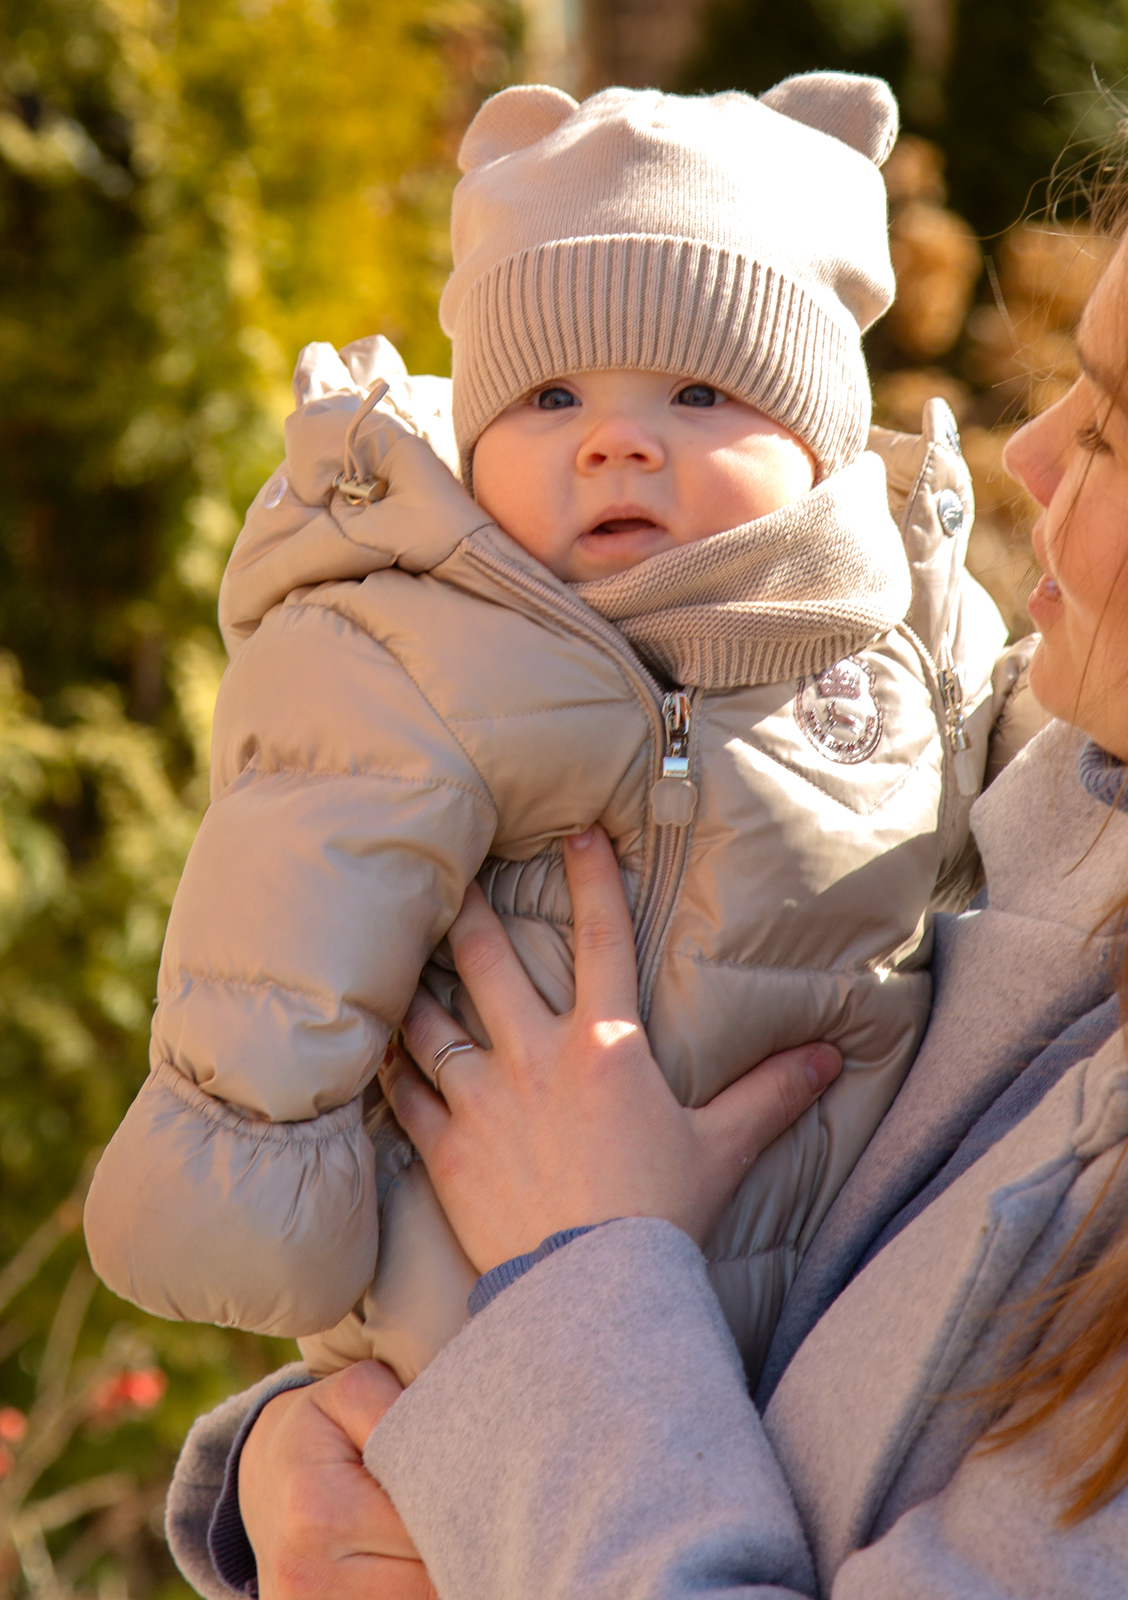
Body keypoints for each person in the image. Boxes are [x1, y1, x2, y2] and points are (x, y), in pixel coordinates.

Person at [167, 68, 1128, 1600]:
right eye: (555, 398)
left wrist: (575, 1270)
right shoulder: (1058, 826)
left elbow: (621, 1301)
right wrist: (297, 1471)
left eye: (1109, 435)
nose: (1025, 457)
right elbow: (769, 1361)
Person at [82, 70, 1017, 1395]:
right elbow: (299, 870)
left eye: (699, 392)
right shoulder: (428, 637)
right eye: (553, 399)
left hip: (823, 1352)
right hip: (474, 1321)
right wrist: (239, 1166)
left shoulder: (915, 632)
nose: (618, 445)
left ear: (821, 440)